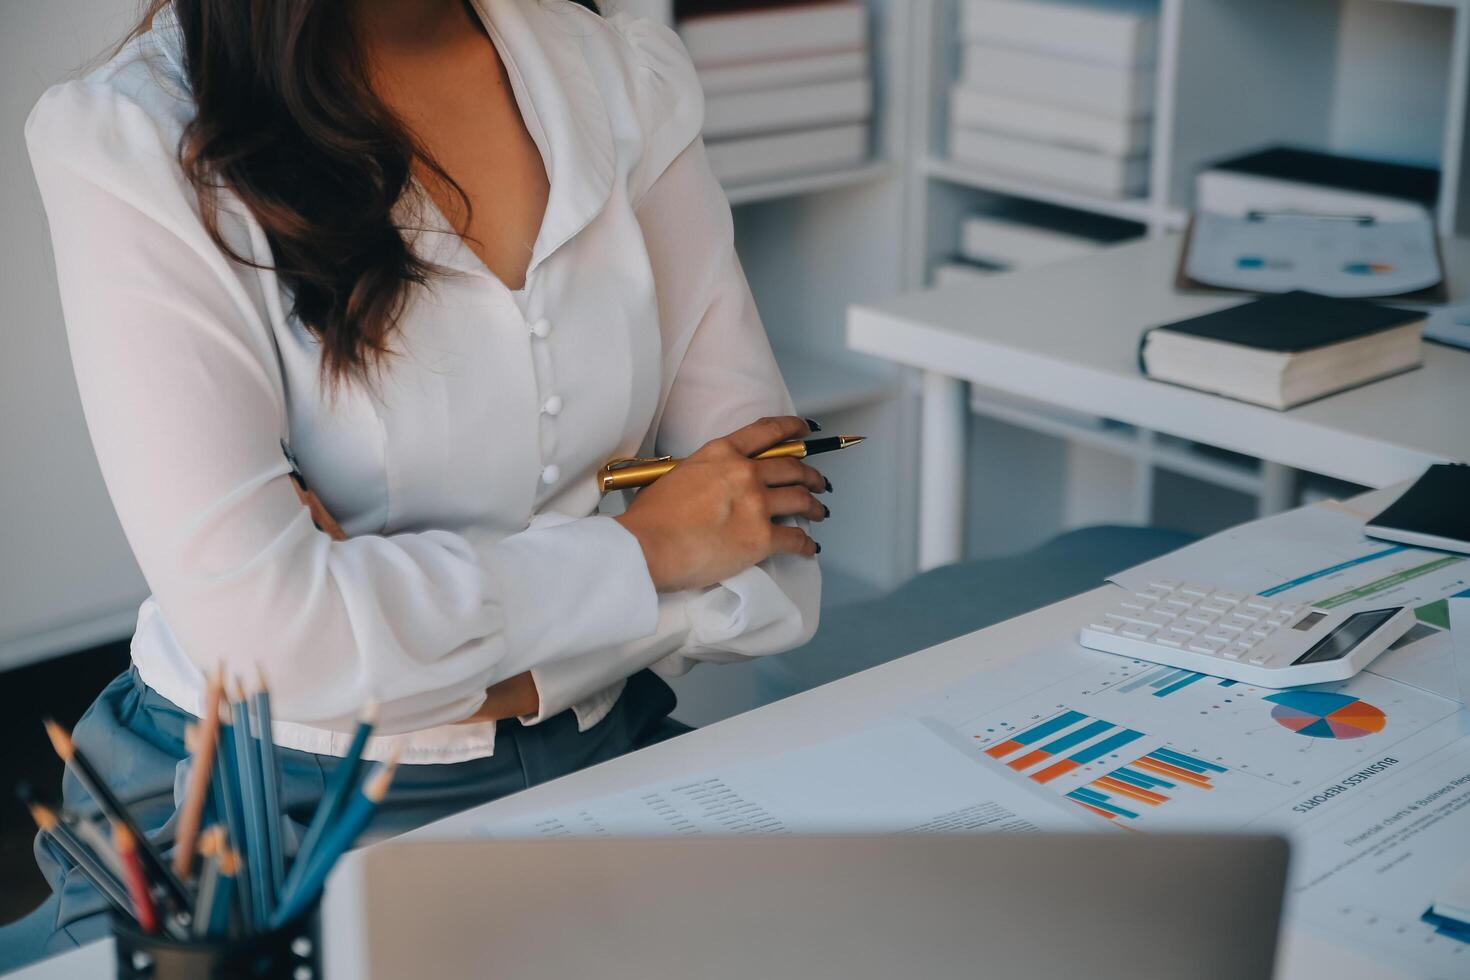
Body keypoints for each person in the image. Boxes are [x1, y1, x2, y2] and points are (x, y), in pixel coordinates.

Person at [23, 0, 823, 950]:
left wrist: (403, 644)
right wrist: (646, 552)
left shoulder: (623, 75)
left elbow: (768, 545)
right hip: (265, 819)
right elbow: (273, 639)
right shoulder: (134, 137)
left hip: (602, 759)